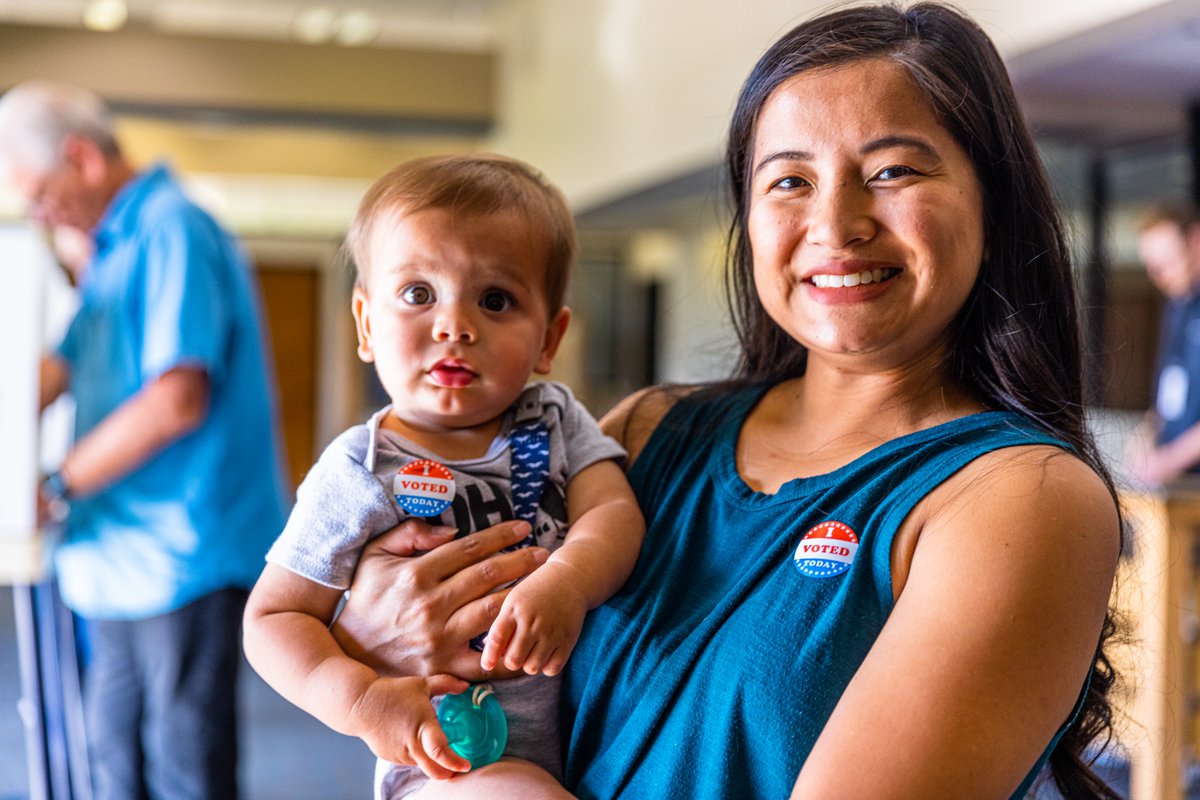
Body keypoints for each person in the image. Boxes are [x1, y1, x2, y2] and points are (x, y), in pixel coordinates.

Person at [324, 5, 1125, 799]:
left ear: (993, 197)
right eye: (789, 181)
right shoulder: (645, 434)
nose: (834, 224)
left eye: (893, 171)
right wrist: (367, 629)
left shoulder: (1021, 499)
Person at [241, 154, 644, 800]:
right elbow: (273, 618)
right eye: (418, 294)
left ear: (549, 338)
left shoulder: (555, 419)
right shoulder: (361, 468)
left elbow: (613, 515)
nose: (455, 326)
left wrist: (569, 580)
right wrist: (362, 698)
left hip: (580, 742)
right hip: (445, 759)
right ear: (367, 325)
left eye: (495, 300)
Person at [0, 81, 290, 800]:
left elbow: (175, 400)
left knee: (182, 767)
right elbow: (62, 364)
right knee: (112, 760)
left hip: (179, 555)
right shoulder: (110, 249)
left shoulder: (172, 229)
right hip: (114, 555)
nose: (38, 214)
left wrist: (50, 485)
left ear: (82, 159)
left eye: (39, 194)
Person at [1126, 204, 1200, 484]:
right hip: (1178, 482)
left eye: (1168, 262)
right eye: (1153, 268)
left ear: (1195, 241)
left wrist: (1170, 460)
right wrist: (1144, 439)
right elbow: (1168, 395)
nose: (1160, 276)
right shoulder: (1177, 306)